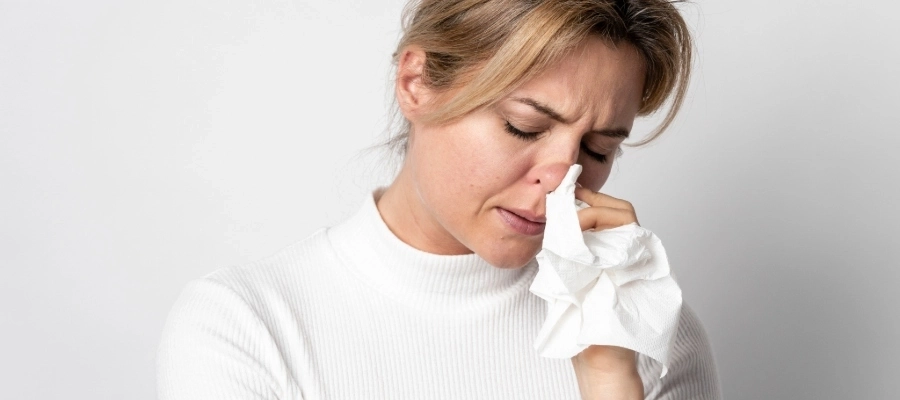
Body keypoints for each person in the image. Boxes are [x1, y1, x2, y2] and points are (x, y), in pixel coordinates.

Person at [157, 0, 722, 398]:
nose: (562, 179)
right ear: (416, 84)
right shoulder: (247, 326)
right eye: (523, 126)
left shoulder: (645, 336)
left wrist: (609, 381)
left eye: (599, 149)